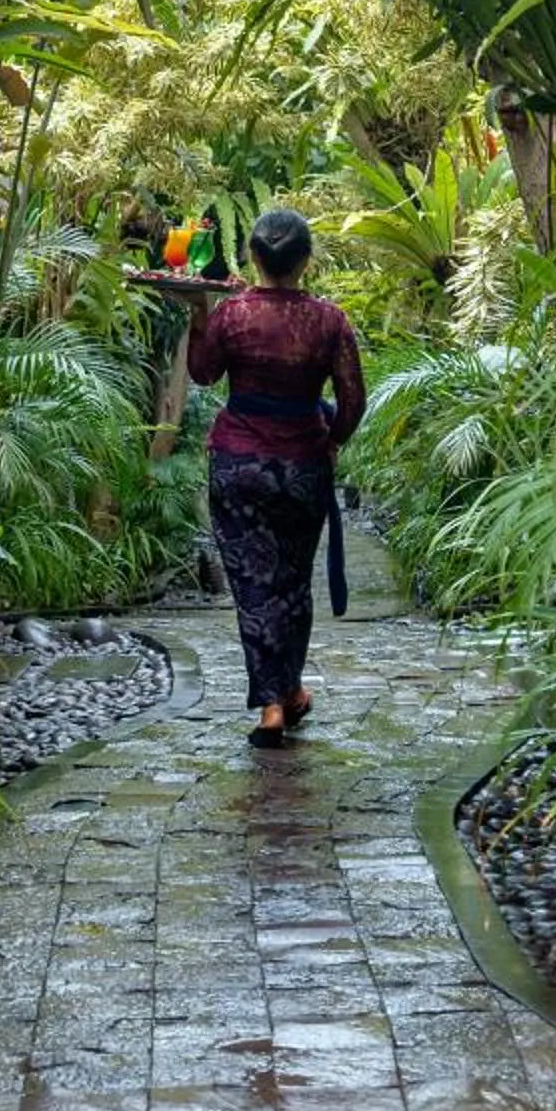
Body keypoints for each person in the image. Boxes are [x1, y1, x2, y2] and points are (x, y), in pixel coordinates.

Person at [185, 207, 364, 748]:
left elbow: (203, 373)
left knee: (253, 587)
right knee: (291, 582)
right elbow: (353, 398)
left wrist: (197, 312)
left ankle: (275, 703)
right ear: (306, 260)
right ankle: (285, 693)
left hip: (237, 465)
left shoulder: (231, 313)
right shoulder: (330, 321)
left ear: (253, 257)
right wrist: (332, 440)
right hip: (302, 464)